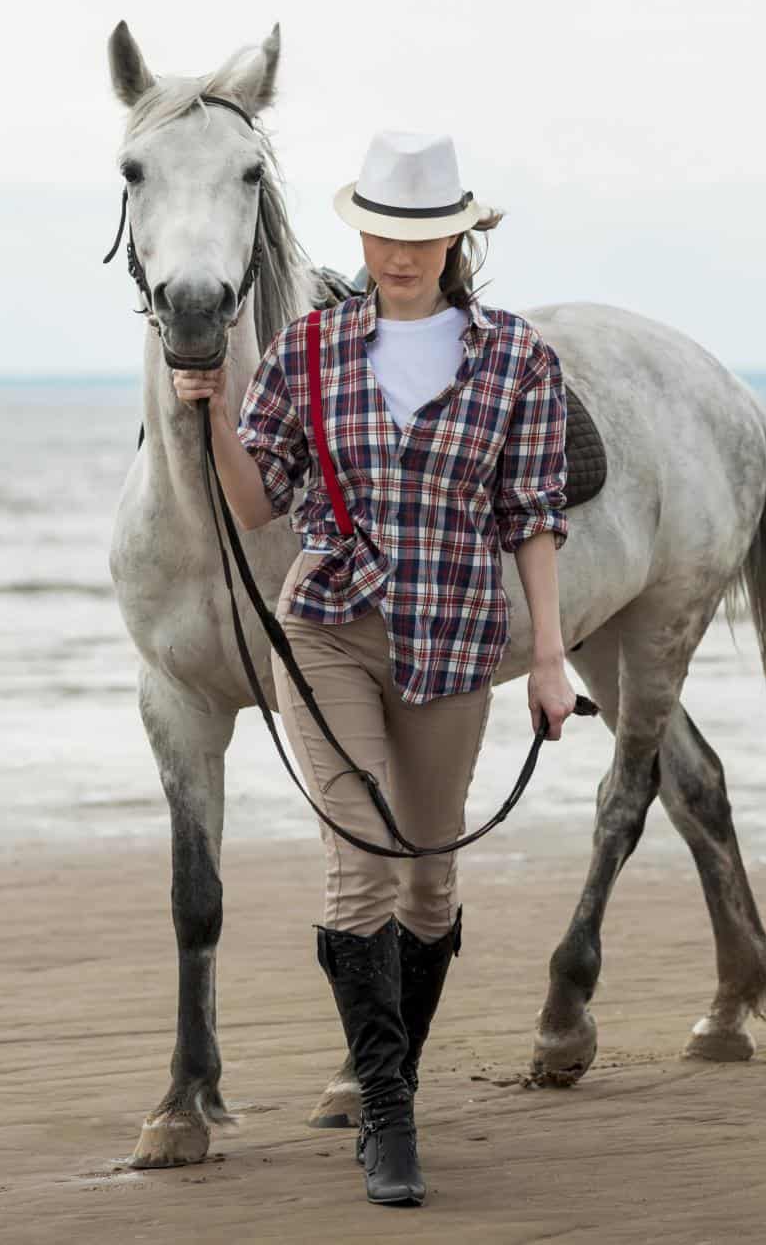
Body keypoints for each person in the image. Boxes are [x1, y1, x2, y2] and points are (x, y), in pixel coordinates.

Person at [171, 128, 574, 1207]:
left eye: (424, 236)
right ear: (359, 229)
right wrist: (212, 413)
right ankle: (387, 1118)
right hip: (328, 626)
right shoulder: (309, 348)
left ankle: (388, 1068)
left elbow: (531, 516)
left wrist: (547, 654)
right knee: (358, 860)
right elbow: (258, 502)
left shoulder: (517, 358)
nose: (401, 254)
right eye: (384, 233)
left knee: (428, 878)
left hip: (451, 636)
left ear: (456, 236)